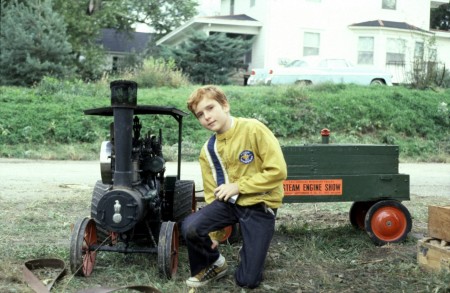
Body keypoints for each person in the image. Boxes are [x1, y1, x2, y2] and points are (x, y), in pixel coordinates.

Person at [181, 85, 287, 289]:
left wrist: (239, 186)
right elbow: (212, 194)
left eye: (210, 108)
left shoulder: (253, 128)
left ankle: (250, 252)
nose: (207, 117)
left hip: (259, 205)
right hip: (228, 206)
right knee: (190, 226)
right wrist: (214, 235)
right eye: (200, 114)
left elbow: (278, 171)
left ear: (225, 105)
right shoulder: (207, 150)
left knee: (247, 281)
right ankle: (213, 264)